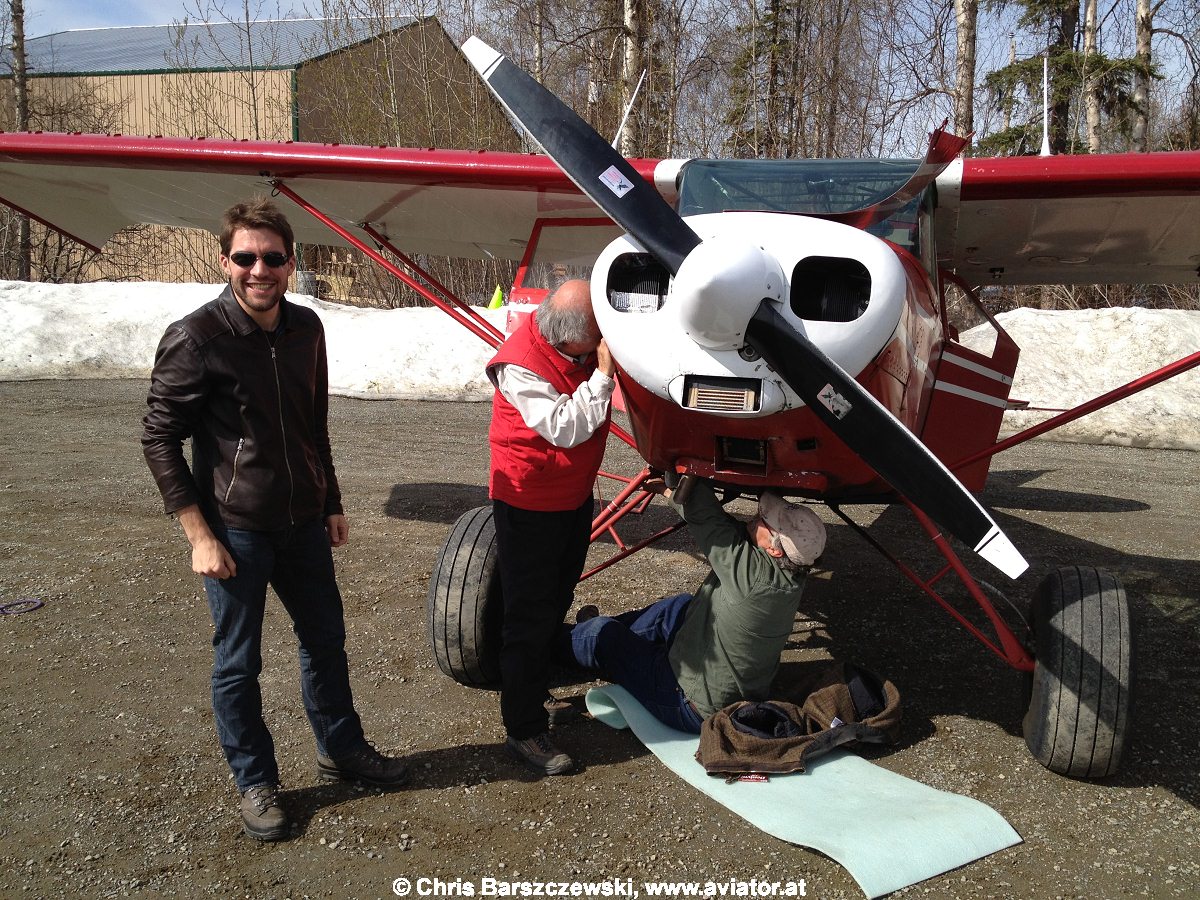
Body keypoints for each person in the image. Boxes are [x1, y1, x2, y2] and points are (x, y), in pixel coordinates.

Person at [141, 198, 407, 842]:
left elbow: (313, 423)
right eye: (245, 257)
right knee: (238, 662)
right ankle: (256, 781)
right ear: (226, 260)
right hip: (235, 530)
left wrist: (332, 500)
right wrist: (199, 535)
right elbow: (158, 437)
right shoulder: (197, 337)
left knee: (325, 643)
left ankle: (341, 749)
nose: (259, 269)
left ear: (291, 262)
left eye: (273, 257)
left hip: (304, 522)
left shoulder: (306, 329)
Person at [554, 477, 826, 733]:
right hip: (726, 688)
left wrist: (678, 473)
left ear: (775, 550)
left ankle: (545, 645)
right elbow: (726, 528)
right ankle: (589, 637)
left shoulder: (751, 574)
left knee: (605, 635)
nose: (758, 517)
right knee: (680, 608)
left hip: (688, 702)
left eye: (765, 521)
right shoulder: (792, 571)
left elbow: (709, 519)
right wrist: (670, 492)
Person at [486, 279, 616, 776]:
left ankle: (534, 681)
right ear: (570, 338)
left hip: (571, 499)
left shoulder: (570, 348)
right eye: (597, 331)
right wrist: (602, 377)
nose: (604, 339)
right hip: (530, 507)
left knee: (557, 597)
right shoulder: (519, 365)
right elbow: (565, 427)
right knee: (528, 615)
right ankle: (523, 729)